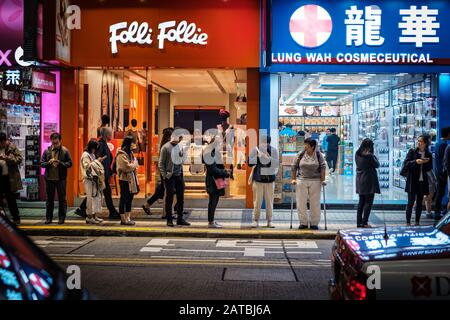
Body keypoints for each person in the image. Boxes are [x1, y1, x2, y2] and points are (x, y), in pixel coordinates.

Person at [76, 127, 120, 220]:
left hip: (103, 173)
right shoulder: (101, 144)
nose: (112, 135)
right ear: (106, 135)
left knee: (99, 192)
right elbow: (95, 157)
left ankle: (82, 208)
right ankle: (111, 212)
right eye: (110, 133)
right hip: (100, 174)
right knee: (102, 192)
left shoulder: (104, 143)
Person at [291, 138, 326, 230]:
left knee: (315, 203)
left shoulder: (319, 155)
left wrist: (323, 180)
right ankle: (303, 223)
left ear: (312, 146)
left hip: (315, 181)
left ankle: (314, 223)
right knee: (301, 202)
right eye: (304, 144)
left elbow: (323, 167)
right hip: (301, 180)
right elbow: (294, 166)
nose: (305, 147)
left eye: (306, 145)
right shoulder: (301, 154)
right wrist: (293, 179)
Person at [159, 130, 190, 227]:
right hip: (170, 176)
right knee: (170, 198)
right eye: (180, 137)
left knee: (181, 198)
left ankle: (180, 219)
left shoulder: (179, 146)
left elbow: (181, 160)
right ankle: (169, 220)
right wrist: (165, 175)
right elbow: (161, 163)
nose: (180, 139)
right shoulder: (166, 147)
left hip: (179, 175)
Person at [40, 132, 73, 224]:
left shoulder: (65, 151)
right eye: (53, 143)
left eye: (57, 142)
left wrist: (59, 163)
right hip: (49, 179)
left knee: (62, 199)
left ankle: (61, 218)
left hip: (61, 179)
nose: (55, 144)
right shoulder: (46, 151)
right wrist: (49, 163)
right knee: (49, 200)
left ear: (60, 141)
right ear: (51, 141)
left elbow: (70, 163)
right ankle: (48, 218)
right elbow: (42, 164)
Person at [249, 135, 279, 228]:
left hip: (270, 180)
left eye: (266, 143)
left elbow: (276, 164)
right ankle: (255, 220)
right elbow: (249, 163)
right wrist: (257, 157)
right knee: (257, 202)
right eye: (262, 143)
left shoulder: (273, 150)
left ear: (269, 143)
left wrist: (267, 158)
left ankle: (270, 221)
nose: (264, 145)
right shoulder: (255, 150)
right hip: (258, 179)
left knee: (269, 202)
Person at [142, 127, 174, 215]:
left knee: (161, 191)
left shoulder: (163, 145)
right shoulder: (167, 146)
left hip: (163, 172)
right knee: (165, 191)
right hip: (165, 172)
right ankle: (168, 212)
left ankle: (147, 205)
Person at [403, 135, 433, 226]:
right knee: (411, 202)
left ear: (425, 143)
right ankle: (408, 222)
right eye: (418, 141)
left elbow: (429, 168)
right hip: (412, 180)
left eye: (421, 141)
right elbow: (406, 163)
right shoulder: (412, 151)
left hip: (422, 181)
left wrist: (425, 163)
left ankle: (417, 222)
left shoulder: (428, 154)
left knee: (420, 202)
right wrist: (416, 162)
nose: (418, 143)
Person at [203, 135, 231, 228]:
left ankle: (212, 220)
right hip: (212, 181)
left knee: (215, 200)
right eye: (220, 143)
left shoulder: (215, 152)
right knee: (213, 201)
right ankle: (210, 222)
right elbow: (212, 169)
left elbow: (219, 166)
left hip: (216, 179)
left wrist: (225, 171)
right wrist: (224, 172)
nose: (221, 144)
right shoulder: (209, 152)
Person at [355, 138, 380, 228]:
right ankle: (365, 222)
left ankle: (359, 222)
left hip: (360, 180)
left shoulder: (357, 154)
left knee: (361, 202)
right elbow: (377, 164)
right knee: (368, 203)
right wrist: (373, 155)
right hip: (369, 180)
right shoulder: (369, 156)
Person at [80, 139, 105, 224]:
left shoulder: (92, 154)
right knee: (90, 198)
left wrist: (97, 161)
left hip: (94, 179)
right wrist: (98, 161)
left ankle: (94, 215)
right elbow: (87, 167)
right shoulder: (85, 155)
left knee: (96, 198)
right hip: (88, 179)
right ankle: (89, 216)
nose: (95, 150)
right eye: (95, 148)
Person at [115, 136, 139, 226]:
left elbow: (133, 165)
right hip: (124, 179)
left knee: (130, 198)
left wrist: (133, 165)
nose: (134, 144)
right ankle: (123, 219)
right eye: (133, 142)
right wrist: (134, 165)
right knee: (124, 198)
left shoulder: (130, 153)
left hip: (131, 179)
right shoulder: (121, 154)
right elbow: (126, 167)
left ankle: (128, 217)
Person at [0, 132, 22, 225]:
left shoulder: (12, 147)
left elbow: (19, 159)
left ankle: (16, 218)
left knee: (11, 199)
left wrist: (7, 158)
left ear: (5, 141)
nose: (1, 145)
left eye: (2, 142)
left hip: (9, 177)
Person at [433, 126, 450, 219]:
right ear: (448, 134)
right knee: (441, 192)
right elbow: (445, 160)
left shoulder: (438, 143)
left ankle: (438, 211)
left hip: (438, 172)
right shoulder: (444, 145)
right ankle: (437, 211)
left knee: (440, 191)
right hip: (442, 173)